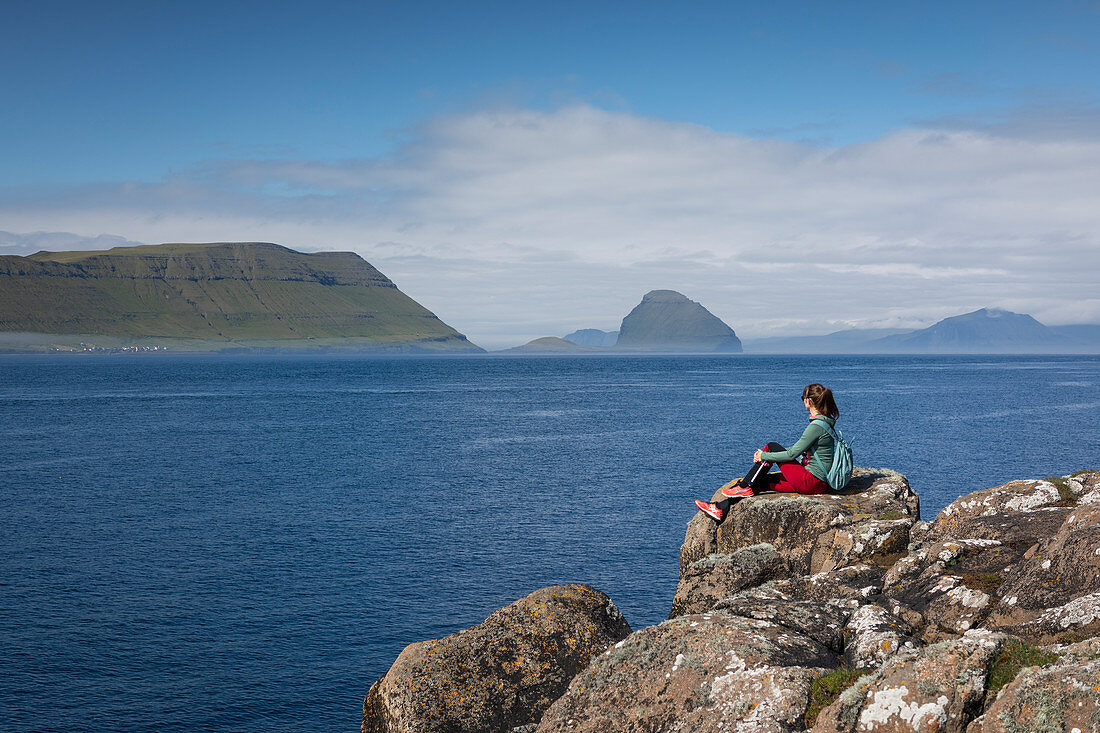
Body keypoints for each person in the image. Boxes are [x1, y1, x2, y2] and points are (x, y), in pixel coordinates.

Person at [694, 383, 840, 522]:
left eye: (803, 398)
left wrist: (764, 455)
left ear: (808, 401)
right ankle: (721, 508)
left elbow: (791, 454)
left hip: (811, 482)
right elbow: (796, 450)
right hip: (815, 483)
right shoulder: (824, 423)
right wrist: (765, 456)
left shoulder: (816, 427)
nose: (803, 402)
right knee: (759, 482)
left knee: (772, 446)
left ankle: (744, 488)